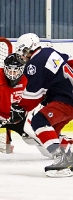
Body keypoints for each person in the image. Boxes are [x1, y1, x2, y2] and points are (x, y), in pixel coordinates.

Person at [15, 32, 73, 177]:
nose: (22, 56)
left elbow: (33, 95)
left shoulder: (34, 63)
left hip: (66, 100)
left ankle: (61, 160)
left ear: (28, 48)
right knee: (51, 132)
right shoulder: (49, 51)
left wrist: (19, 108)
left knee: (39, 121)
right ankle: (69, 153)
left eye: (22, 52)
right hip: (67, 97)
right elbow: (70, 61)